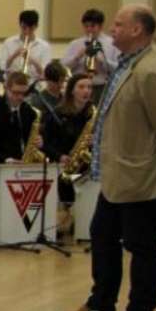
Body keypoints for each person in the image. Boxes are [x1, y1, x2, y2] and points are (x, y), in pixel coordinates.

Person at [62, 6, 156, 311]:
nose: (112, 30)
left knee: (140, 244)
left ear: (137, 31)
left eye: (119, 25)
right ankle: (101, 303)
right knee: (102, 235)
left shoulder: (150, 70)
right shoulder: (125, 64)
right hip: (118, 173)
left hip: (141, 174)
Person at [44, 71, 95, 214]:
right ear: (71, 90)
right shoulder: (58, 113)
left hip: (87, 167)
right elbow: (45, 143)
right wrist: (60, 156)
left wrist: (95, 140)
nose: (86, 91)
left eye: (90, 87)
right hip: (64, 167)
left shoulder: (93, 114)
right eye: (81, 87)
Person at [0, 70, 40, 164]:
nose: (20, 97)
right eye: (16, 93)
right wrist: (6, 159)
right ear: (6, 89)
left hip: (24, 163)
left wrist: (39, 142)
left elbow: (31, 139)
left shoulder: (30, 111)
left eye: (24, 93)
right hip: (0, 165)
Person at [62, 8, 120, 92]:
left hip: (102, 86)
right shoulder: (75, 44)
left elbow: (118, 68)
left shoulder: (112, 44)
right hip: (79, 87)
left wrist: (102, 61)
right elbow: (63, 67)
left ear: (100, 26)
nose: (89, 29)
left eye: (92, 26)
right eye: (86, 26)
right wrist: (77, 57)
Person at [0, 9, 52, 80]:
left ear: (36, 26)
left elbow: (46, 74)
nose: (27, 31)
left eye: (31, 29)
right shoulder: (8, 43)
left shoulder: (44, 46)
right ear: (20, 25)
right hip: (12, 83)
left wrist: (33, 61)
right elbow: (2, 68)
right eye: (24, 28)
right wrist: (14, 55)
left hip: (34, 84)